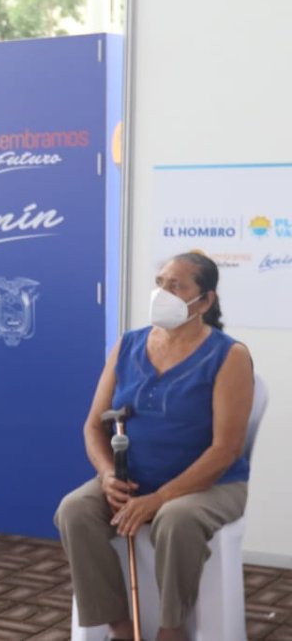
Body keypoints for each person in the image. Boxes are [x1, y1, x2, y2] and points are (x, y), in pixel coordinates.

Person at [55, 252, 253, 641]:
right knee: (74, 510)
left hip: (212, 485)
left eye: (176, 286)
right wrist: (108, 473)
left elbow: (225, 450)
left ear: (206, 301)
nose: (162, 293)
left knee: (177, 519)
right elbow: (94, 426)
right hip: (132, 476)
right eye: (161, 282)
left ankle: (172, 628)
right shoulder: (128, 345)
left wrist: (160, 497)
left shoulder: (229, 355)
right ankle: (120, 627)